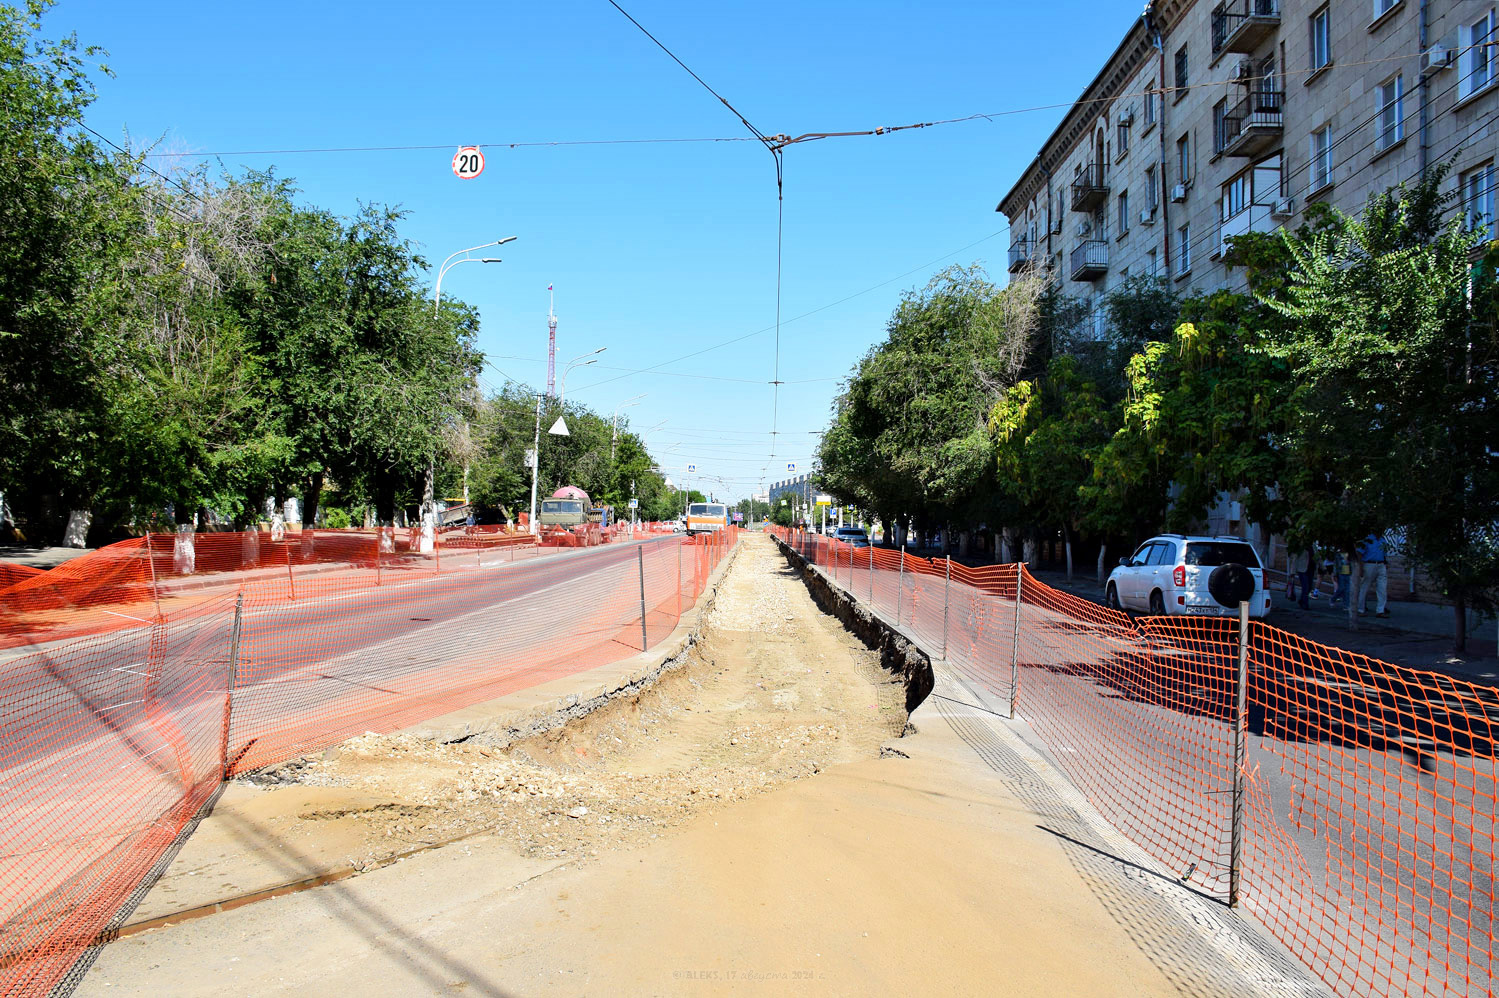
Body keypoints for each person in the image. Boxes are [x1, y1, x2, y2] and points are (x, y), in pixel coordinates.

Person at [1357, 533, 1389, 618]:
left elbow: (1384, 553)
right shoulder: (1367, 539)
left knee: (1382, 588)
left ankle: (1380, 610)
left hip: (1381, 564)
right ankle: (1360, 609)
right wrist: (1361, 567)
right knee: (1365, 587)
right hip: (1369, 564)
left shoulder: (1383, 539)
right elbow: (1359, 553)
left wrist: (1386, 563)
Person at [1289, 546, 1313, 610]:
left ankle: (1302, 600)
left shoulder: (1313, 547)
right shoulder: (1300, 547)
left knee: (1309, 587)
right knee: (1305, 587)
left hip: (1310, 569)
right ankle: (1305, 604)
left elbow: (1318, 557)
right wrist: (1292, 572)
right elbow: (1295, 559)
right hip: (1302, 570)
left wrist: (1322, 567)